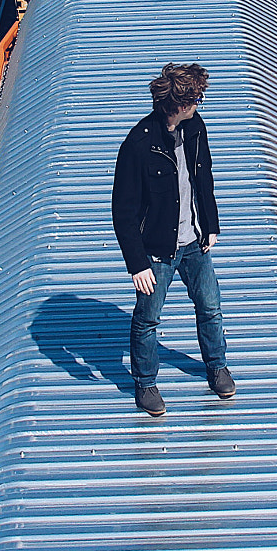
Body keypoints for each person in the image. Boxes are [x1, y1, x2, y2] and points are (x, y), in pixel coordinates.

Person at [111, 62, 232, 417]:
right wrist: (137, 264)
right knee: (148, 319)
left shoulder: (195, 128)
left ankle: (217, 367)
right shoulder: (138, 145)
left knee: (210, 307)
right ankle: (145, 384)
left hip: (195, 242)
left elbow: (204, 178)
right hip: (157, 252)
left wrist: (210, 225)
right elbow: (123, 211)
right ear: (179, 104)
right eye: (196, 99)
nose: (199, 104)